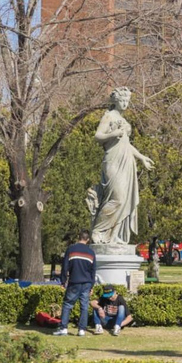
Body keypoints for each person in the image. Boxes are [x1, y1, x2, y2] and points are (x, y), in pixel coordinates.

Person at [87, 87, 154, 245]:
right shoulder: (109, 116)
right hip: (113, 161)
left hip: (127, 162)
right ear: (115, 101)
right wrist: (112, 134)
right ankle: (98, 230)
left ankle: (112, 236)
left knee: (124, 200)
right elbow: (97, 136)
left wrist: (142, 158)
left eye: (126, 101)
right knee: (116, 198)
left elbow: (126, 144)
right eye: (121, 101)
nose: (124, 104)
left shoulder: (124, 121)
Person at [53, 230, 96, 337]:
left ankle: (63, 328)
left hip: (74, 281)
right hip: (86, 283)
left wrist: (63, 281)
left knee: (67, 305)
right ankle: (81, 330)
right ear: (88, 240)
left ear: (78, 237)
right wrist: (92, 285)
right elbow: (93, 271)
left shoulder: (71, 249)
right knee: (84, 306)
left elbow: (65, 267)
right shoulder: (91, 253)